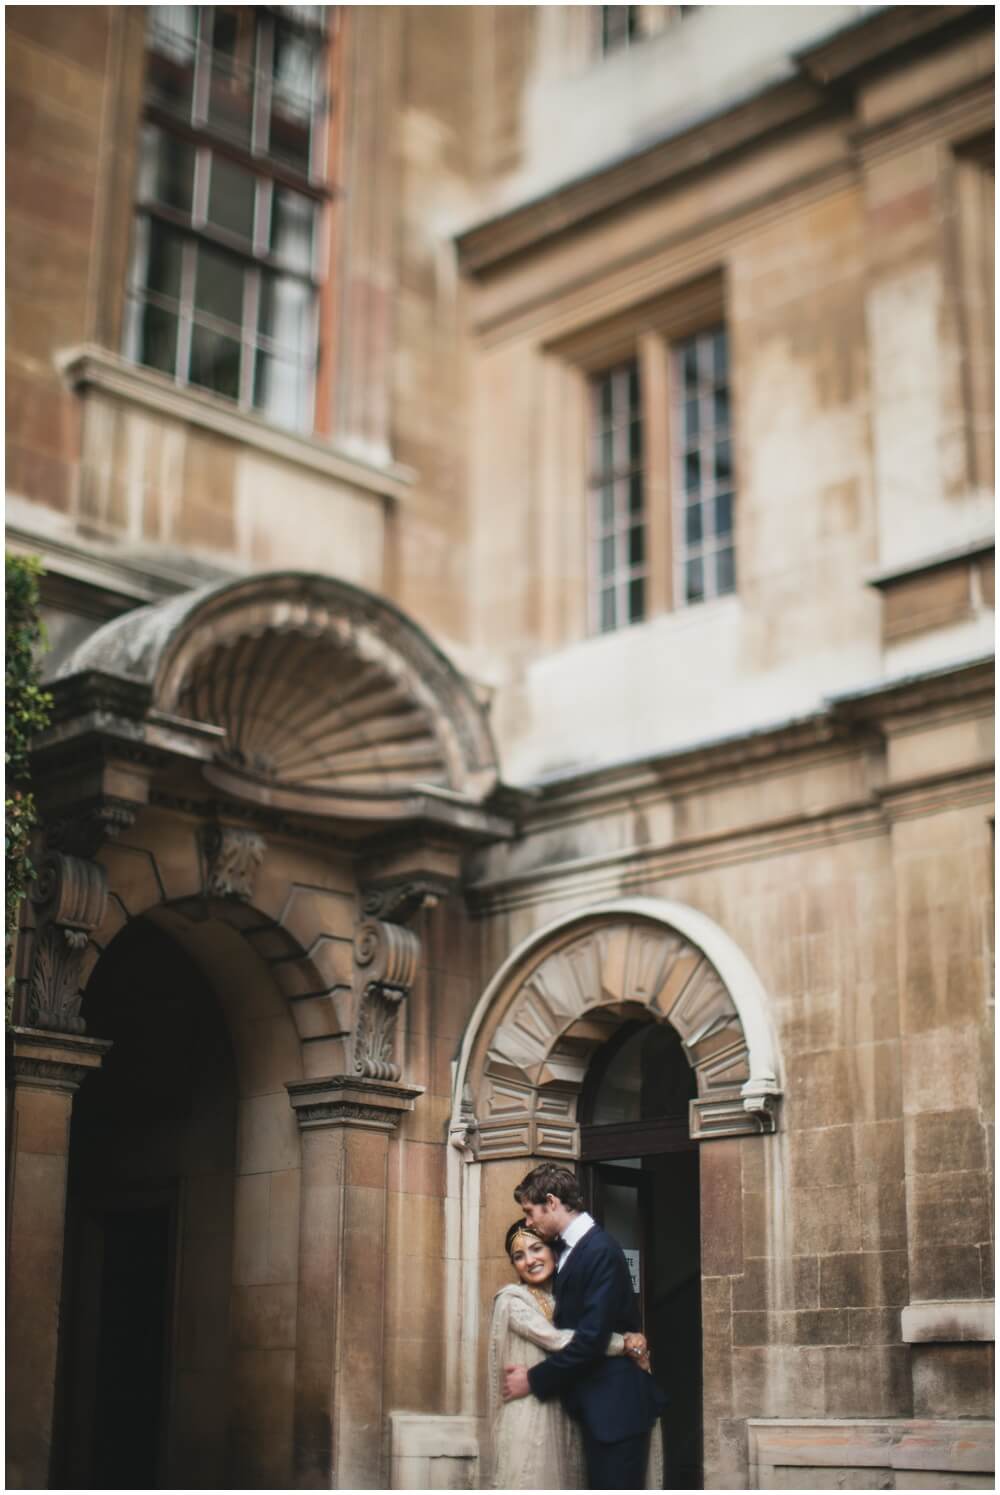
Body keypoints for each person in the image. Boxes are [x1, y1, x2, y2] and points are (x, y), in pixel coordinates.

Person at [502, 1164, 666, 1491]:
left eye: (530, 1212)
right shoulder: (566, 1250)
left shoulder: (600, 1250)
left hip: (616, 1411)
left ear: (551, 1202)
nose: (529, 1222)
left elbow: (591, 1340)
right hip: (592, 1408)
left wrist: (532, 1380)